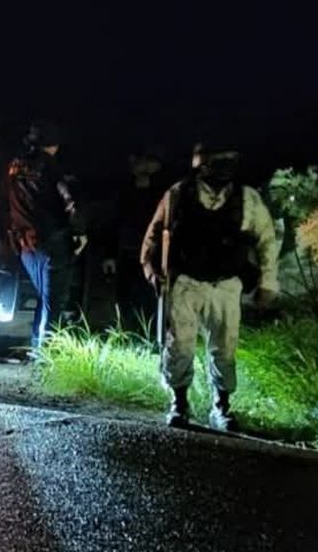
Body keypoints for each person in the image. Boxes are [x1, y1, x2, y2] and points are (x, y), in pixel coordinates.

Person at [141, 142, 279, 431]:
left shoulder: (246, 198)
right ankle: (179, 403)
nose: (225, 168)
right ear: (202, 165)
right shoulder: (178, 194)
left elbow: (266, 240)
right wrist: (153, 272)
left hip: (226, 284)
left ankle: (222, 406)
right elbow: (153, 237)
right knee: (178, 346)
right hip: (186, 283)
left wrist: (268, 283)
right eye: (219, 161)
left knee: (225, 349)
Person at [4, 121, 86, 350]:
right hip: (52, 242)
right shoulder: (52, 167)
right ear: (55, 145)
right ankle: (45, 355)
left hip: (24, 243)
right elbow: (71, 201)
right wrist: (80, 232)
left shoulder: (15, 166)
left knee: (44, 297)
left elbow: (5, 202)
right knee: (53, 302)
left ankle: (37, 348)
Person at [101, 148, 167, 327]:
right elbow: (112, 222)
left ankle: (150, 338)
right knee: (125, 298)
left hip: (153, 254)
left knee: (151, 300)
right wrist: (109, 254)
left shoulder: (163, 191)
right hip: (126, 252)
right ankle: (128, 335)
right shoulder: (123, 189)